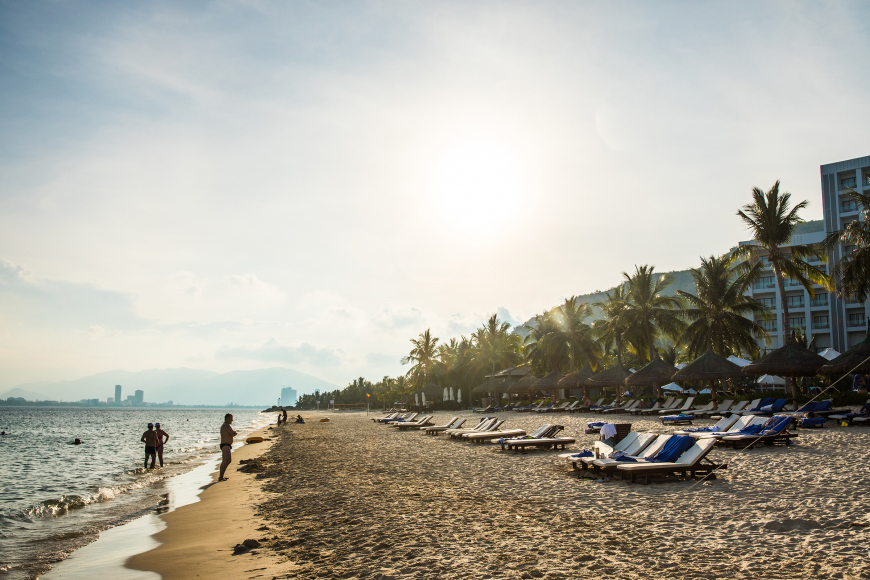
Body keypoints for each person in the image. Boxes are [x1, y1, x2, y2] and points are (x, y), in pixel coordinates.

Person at [218, 413, 236, 482]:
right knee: (228, 460)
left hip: (226, 445)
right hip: (225, 445)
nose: (232, 420)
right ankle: (221, 476)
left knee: (224, 461)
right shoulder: (226, 425)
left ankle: (221, 476)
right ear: (227, 419)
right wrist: (234, 432)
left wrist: (233, 432)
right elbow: (232, 433)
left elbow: (231, 433)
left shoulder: (226, 425)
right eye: (231, 419)